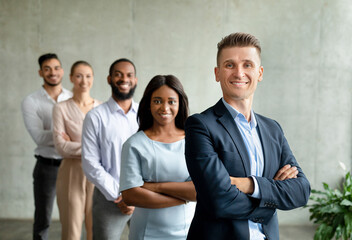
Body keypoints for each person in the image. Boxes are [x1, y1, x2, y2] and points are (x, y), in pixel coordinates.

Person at [184, 32, 311, 240]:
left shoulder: (273, 129)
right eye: (230, 65)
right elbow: (219, 200)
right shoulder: (200, 126)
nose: (239, 73)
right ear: (217, 73)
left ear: (260, 73)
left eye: (247, 65)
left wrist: (250, 185)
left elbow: (301, 191)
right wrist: (271, 200)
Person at [120, 75, 197, 240]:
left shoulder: (194, 141)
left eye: (171, 101)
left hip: (189, 231)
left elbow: (199, 191)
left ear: (180, 103)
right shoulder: (134, 144)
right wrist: (183, 199)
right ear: (148, 104)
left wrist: (154, 187)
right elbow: (131, 195)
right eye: (157, 101)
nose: (164, 108)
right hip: (147, 233)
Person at [81, 58, 138, 240]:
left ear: (135, 80)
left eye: (129, 75)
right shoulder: (95, 117)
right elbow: (90, 163)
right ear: (109, 79)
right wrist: (121, 196)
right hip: (109, 198)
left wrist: (137, 194)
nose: (124, 79)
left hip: (143, 198)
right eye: (118, 75)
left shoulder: (146, 115)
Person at [21, 53, 72, 240]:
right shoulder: (31, 101)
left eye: (56, 68)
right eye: (47, 69)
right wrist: (64, 135)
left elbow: (81, 132)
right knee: (43, 219)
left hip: (71, 164)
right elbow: (39, 137)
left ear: (62, 71)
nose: (53, 72)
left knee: (73, 218)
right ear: (40, 72)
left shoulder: (72, 97)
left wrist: (62, 135)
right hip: (46, 167)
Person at [52, 61, 101, 240]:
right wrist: (93, 147)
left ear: (93, 79)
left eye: (88, 76)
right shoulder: (60, 108)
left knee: (96, 229)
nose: (83, 81)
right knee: (71, 229)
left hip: (98, 173)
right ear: (71, 78)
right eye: (79, 76)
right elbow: (60, 146)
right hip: (71, 172)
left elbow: (107, 147)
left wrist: (74, 143)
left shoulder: (101, 108)